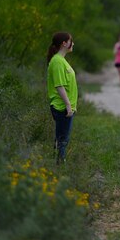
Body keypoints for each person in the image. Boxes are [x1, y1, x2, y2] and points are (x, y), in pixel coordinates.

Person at [46, 32, 78, 164]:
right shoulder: (57, 61)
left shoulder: (61, 60)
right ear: (64, 43)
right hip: (61, 107)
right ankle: (60, 166)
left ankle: (57, 164)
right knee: (62, 139)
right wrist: (68, 106)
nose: (73, 44)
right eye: (71, 41)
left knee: (61, 138)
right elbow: (59, 86)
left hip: (65, 107)